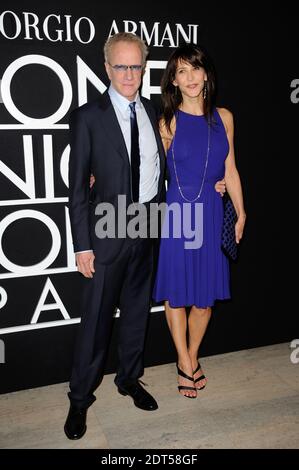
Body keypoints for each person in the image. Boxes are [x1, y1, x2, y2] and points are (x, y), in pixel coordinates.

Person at [64, 32, 167, 440]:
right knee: (95, 321)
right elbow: (75, 187)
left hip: (147, 222)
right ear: (107, 68)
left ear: (144, 67)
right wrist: (82, 243)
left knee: (138, 311)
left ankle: (128, 379)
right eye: (120, 66)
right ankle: (79, 399)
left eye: (136, 65)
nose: (129, 74)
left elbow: (157, 167)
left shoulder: (154, 109)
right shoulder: (89, 116)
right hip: (107, 226)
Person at [153, 43, 246, 398]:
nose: (190, 77)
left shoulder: (225, 117)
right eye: (181, 71)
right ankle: (184, 361)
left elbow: (231, 169)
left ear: (206, 73)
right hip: (178, 214)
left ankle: (190, 356)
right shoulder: (167, 122)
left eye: (195, 69)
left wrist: (241, 211)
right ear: (173, 81)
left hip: (210, 211)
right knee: (176, 296)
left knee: (204, 300)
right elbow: (151, 172)